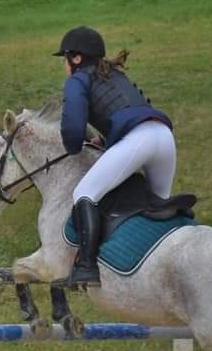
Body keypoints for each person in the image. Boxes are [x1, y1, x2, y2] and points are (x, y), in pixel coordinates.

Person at [53, 25, 177, 288]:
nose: (64, 66)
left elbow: (73, 130)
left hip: (138, 140)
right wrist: (107, 141)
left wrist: (75, 145)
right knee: (157, 205)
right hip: (163, 138)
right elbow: (128, 110)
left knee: (84, 194)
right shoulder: (114, 75)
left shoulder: (78, 79)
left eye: (65, 58)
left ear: (75, 58)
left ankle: (86, 266)